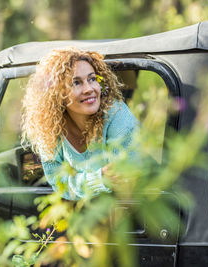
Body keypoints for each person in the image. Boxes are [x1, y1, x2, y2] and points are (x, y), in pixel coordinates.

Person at [21, 47, 140, 200]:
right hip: (90, 212)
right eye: (76, 83)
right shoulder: (49, 129)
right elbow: (59, 184)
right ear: (57, 93)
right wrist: (99, 178)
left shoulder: (116, 114)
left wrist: (81, 182)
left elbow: (124, 178)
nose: (89, 89)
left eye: (92, 79)